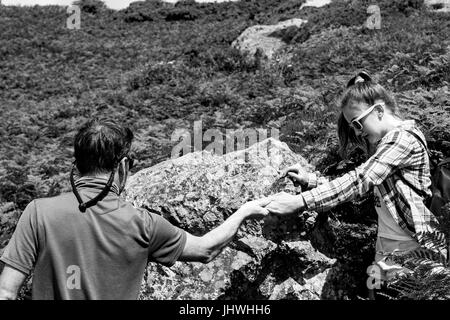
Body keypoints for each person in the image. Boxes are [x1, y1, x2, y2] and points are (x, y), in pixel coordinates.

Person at [0, 119, 271, 300]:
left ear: (77, 165)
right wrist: (244, 211)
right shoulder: (143, 224)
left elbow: (6, 291)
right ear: (123, 167)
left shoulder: (38, 213)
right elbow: (206, 250)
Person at [266, 71, 439, 298]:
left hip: (414, 260)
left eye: (357, 123)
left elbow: (359, 180)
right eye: (352, 127)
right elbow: (361, 181)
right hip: (387, 259)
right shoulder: (387, 144)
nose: (357, 132)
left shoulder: (402, 139)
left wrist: (300, 201)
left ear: (378, 110)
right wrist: (312, 180)